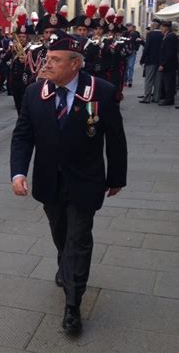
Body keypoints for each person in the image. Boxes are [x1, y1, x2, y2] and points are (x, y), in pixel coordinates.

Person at [10, 29, 127, 334]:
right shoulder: (35, 93)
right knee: (60, 234)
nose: (45, 65)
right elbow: (23, 135)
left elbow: (115, 139)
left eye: (54, 60)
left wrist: (117, 177)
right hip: (49, 182)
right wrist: (18, 172)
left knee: (78, 239)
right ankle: (66, 265)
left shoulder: (100, 91)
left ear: (75, 64)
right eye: (46, 59)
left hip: (86, 181)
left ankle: (73, 305)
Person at [29, 0, 70, 82]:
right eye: (46, 32)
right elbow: (27, 79)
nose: (49, 35)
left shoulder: (67, 53)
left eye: (53, 32)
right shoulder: (35, 53)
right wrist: (37, 77)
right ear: (42, 34)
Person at [7, 5, 35, 114]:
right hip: (15, 81)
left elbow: (34, 67)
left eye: (24, 36)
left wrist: (26, 62)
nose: (22, 39)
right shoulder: (14, 49)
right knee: (18, 106)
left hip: (26, 82)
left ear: (27, 37)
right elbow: (4, 60)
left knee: (26, 107)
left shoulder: (32, 49)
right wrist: (10, 50)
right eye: (20, 36)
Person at [139, 21, 163, 103]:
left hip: (150, 60)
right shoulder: (163, 34)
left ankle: (147, 97)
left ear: (154, 26)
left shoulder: (150, 34)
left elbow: (147, 48)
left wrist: (142, 59)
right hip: (160, 61)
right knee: (157, 80)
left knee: (149, 80)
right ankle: (156, 97)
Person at [157, 21, 179, 106]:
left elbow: (170, 53)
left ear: (166, 27)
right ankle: (166, 98)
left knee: (169, 82)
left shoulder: (171, 37)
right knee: (166, 82)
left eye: (162, 27)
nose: (160, 29)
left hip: (169, 65)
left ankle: (169, 99)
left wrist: (163, 64)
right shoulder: (167, 36)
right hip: (168, 64)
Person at [124, 23, 142, 87]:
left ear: (132, 27)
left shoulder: (135, 34)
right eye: (127, 27)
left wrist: (136, 49)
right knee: (125, 67)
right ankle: (125, 80)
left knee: (130, 67)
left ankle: (130, 80)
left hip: (132, 52)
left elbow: (138, 42)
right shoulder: (124, 34)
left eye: (130, 27)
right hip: (125, 53)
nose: (129, 28)